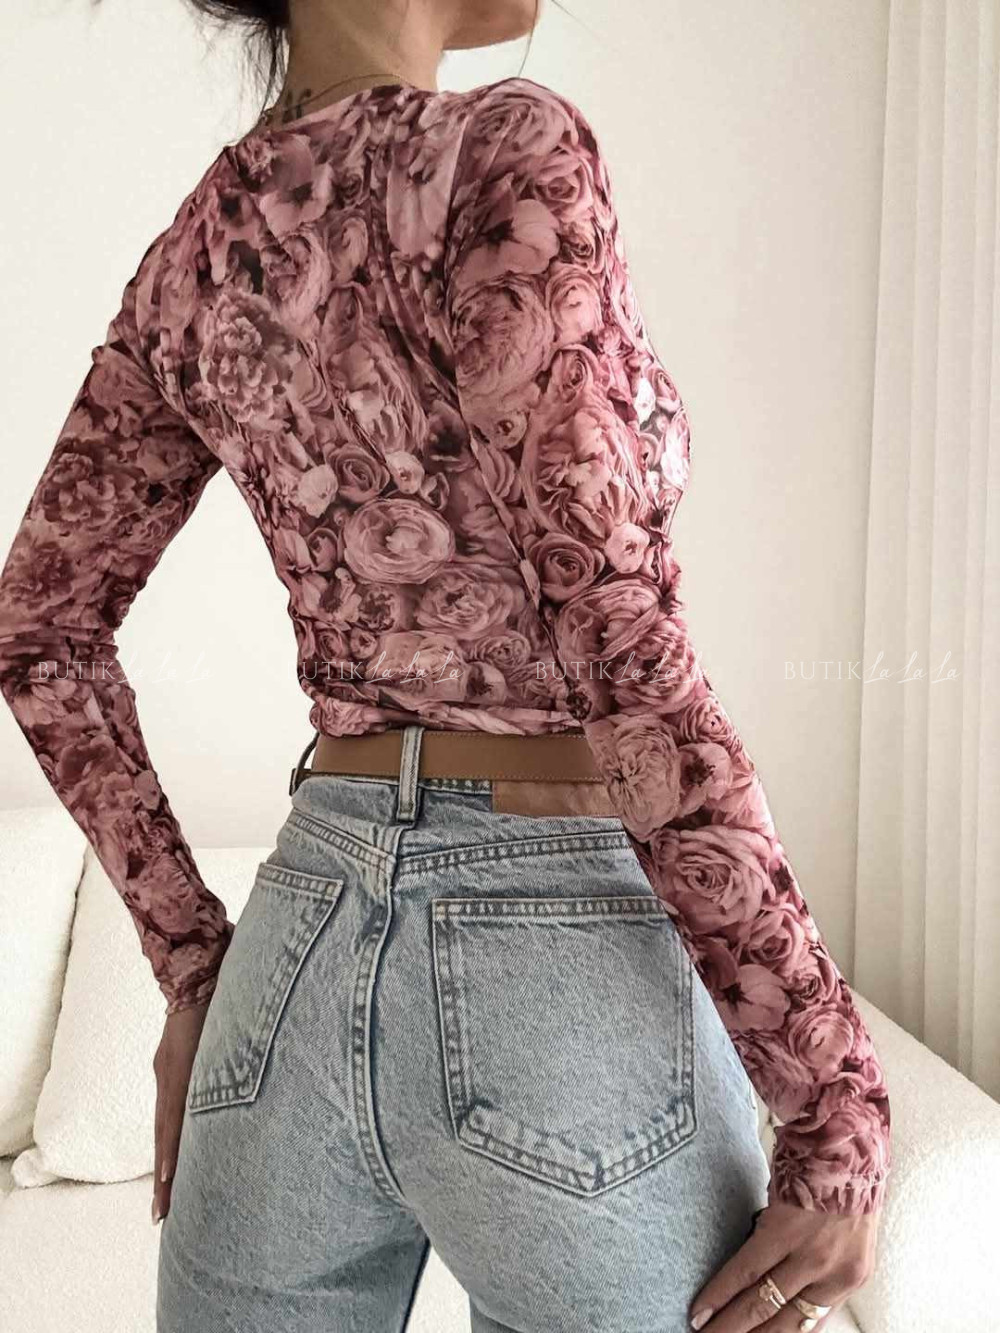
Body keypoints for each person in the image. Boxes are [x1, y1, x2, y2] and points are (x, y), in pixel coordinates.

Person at [0, 1, 891, 1330]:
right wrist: (832, 1098)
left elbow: (40, 628)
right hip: (554, 943)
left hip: (298, 944)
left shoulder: (199, 248)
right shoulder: (506, 149)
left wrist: (195, 967)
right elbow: (613, 621)